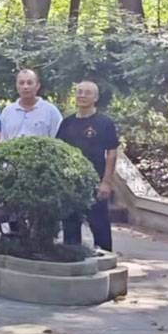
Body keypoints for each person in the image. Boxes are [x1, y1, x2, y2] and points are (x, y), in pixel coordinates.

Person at [57, 81, 120, 251]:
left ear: (96, 97)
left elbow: (112, 153)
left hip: (95, 182)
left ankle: (105, 258)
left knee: (99, 224)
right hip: (71, 183)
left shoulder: (104, 122)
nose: (82, 96)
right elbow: (59, 151)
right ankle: (73, 257)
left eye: (87, 93)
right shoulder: (67, 123)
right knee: (70, 225)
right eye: (79, 92)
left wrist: (106, 182)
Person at [0, 68, 63, 140]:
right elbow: (2, 141)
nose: (25, 87)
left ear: (37, 86)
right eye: (21, 83)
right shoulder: (7, 112)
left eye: (29, 83)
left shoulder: (51, 112)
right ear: (16, 86)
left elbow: (59, 141)